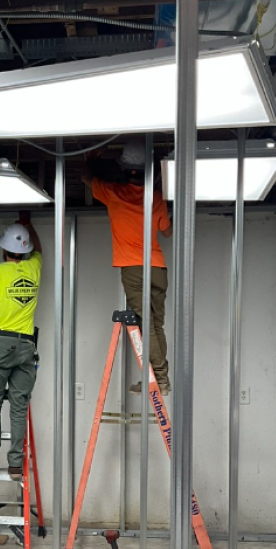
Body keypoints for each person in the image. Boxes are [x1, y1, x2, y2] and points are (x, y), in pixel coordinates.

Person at [84, 143, 171, 395]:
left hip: (133, 268)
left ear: (123, 169)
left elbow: (86, 178)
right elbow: (167, 231)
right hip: (157, 267)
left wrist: (91, 157)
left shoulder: (113, 192)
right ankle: (159, 377)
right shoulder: (156, 198)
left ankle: (160, 379)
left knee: (146, 324)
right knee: (156, 324)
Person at [0, 213, 42, 480]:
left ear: (4, 249)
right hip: (26, 344)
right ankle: (16, 464)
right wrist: (28, 224)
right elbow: (38, 250)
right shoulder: (34, 267)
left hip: (1, 341)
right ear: (25, 250)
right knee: (19, 405)